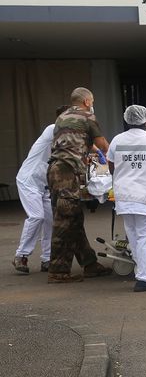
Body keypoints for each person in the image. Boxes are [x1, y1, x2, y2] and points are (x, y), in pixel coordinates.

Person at [47, 87, 112, 283]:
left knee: (73, 218)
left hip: (55, 171)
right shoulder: (87, 116)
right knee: (65, 221)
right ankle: (58, 271)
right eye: (91, 101)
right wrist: (115, 156)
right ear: (86, 102)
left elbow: (78, 142)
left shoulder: (62, 117)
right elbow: (102, 144)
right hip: (67, 172)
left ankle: (89, 264)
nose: (92, 104)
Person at [107, 105, 146, 292]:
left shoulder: (117, 140)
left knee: (134, 236)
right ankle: (145, 278)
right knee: (145, 237)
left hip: (125, 195)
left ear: (127, 120)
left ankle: (141, 271)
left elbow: (112, 167)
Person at [12, 105, 69, 274]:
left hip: (44, 184)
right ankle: (21, 255)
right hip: (28, 180)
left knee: (50, 220)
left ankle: (47, 259)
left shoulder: (66, 136)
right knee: (37, 216)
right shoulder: (52, 129)